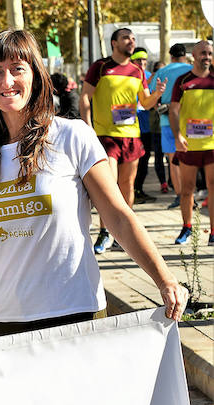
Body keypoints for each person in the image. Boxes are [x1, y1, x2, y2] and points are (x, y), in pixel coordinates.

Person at [0, 30, 187, 340]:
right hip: (7, 322)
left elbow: (118, 217)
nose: (6, 81)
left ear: (36, 76)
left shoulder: (72, 136)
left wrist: (165, 280)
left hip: (75, 313)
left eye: (18, 69)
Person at [80, 27, 168, 254]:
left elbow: (146, 103)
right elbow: (85, 98)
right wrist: (89, 131)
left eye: (133, 39)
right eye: (126, 38)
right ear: (114, 43)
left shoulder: (138, 70)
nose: (131, 42)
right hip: (105, 137)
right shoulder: (100, 67)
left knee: (127, 186)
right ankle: (105, 231)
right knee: (108, 186)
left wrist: (157, 93)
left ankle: (123, 233)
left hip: (130, 135)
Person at [168, 40, 214, 246]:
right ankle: (187, 228)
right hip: (189, 145)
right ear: (193, 56)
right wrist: (177, 135)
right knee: (187, 189)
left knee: (213, 187)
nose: (207, 57)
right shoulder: (182, 80)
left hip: (212, 145)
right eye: (203, 53)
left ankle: (213, 231)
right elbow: (174, 110)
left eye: (210, 53)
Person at [154, 43, 195, 206]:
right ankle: (190, 195)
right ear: (185, 55)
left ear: (170, 56)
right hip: (191, 120)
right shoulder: (192, 70)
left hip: (167, 120)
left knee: (173, 159)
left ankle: (180, 195)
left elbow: (153, 93)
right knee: (191, 158)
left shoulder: (162, 71)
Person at [130, 48, 155, 204]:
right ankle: (129, 191)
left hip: (145, 127)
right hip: (130, 129)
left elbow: (150, 101)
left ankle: (138, 190)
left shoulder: (148, 77)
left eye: (145, 61)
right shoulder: (127, 75)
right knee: (131, 164)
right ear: (133, 60)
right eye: (139, 60)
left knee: (144, 162)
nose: (142, 64)